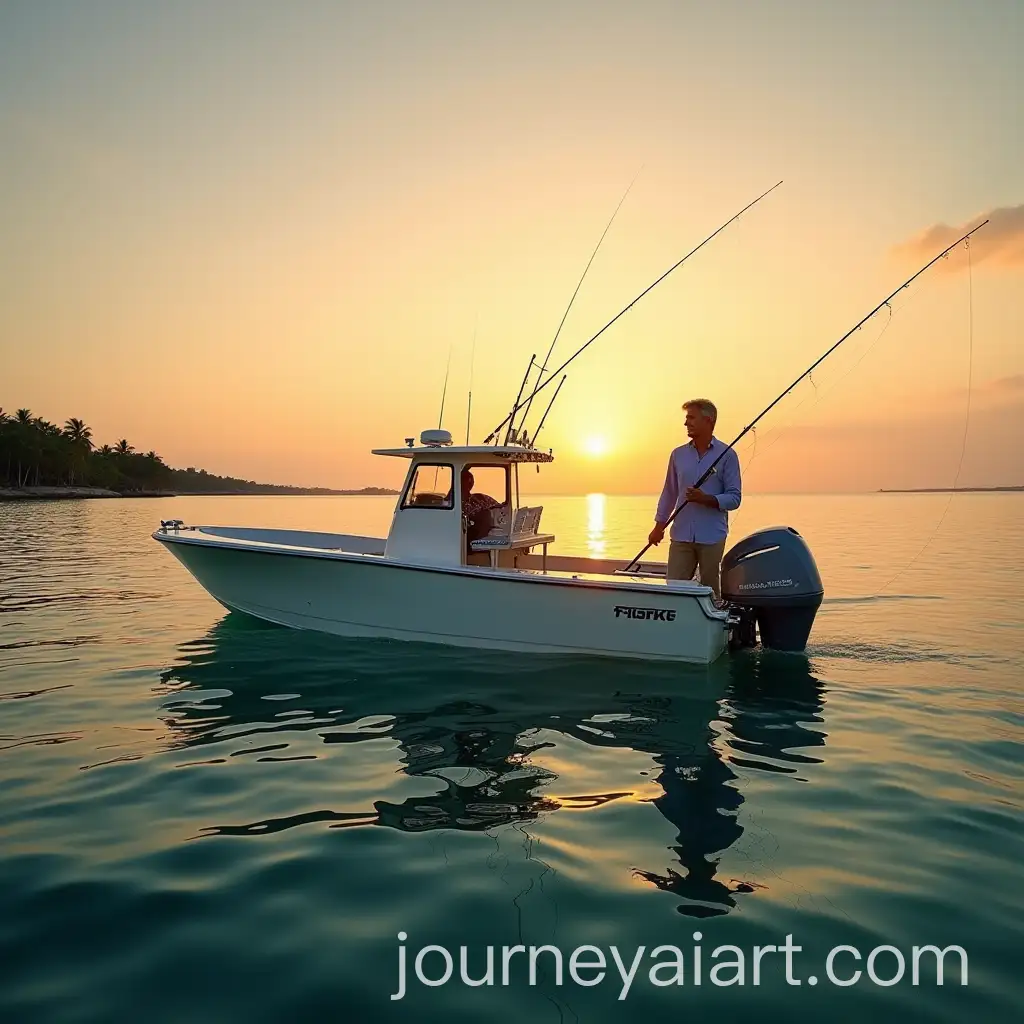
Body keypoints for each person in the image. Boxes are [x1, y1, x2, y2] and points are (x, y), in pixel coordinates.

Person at [647, 399, 741, 600]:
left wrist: (707, 499)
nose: (686, 423)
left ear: (708, 420)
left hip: (712, 537)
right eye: (686, 418)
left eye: (691, 417)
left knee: (710, 593)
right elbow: (669, 493)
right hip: (681, 535)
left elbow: (734, 498)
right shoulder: (678, 455)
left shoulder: (728, 455)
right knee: (673, 590)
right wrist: (658, 526)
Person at [461, 468, 501, 543]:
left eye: (470, 482)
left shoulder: (480, 498)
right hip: (465, 536)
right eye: (465, 482)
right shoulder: (452, 501)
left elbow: (499, 506)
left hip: (483, 535)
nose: (469, 485)